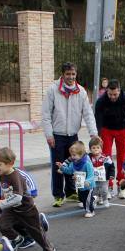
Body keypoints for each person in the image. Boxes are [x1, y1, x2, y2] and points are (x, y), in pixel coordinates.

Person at [42, 62, 98, 207]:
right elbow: (46, 114)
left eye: (73, 74)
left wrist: (93, 133)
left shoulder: (81, 91)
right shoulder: (52, 90)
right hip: (57, 135)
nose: (71, 77)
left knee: (75, 164)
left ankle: (71, 191)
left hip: (73, 135)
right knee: (58, 166)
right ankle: (58, 195)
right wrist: (49, 135)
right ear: (62, 74)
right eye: (68, 74)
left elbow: (88, 113)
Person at [0, 147, 56, 251]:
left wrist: (2, 203)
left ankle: (48, 248)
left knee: (36, 232)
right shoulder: (0, 174)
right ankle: (18, 239)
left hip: (26, 209)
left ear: (10, 163)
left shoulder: (15, 176)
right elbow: (3, 189)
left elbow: (18, 197)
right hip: (12, 209)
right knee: (1, 224)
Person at [94, 79, 125, 195]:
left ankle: (121, 185)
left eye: (115, 94)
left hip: (122, 129)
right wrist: (98, 134)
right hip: (106, 130)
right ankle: (107, 186)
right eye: (110, 94)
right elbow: (97, 118)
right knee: (106, 157)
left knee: (122, 157)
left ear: (119, 91)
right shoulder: (101, 100)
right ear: (106, 91)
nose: (112, 97)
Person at [57, 141, 96, 218]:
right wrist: (62, 167)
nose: (72, 157)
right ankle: (93, 199)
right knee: (82, 198)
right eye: (71, 155)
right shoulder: (73, 163)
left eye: (74, 155)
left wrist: (88, 181)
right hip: (80, 185)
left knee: (86, 200)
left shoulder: (87, 163)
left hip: (88, 186)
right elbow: (69, 171)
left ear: (81, 154)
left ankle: (90, 211)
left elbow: (91, 174)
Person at [88, 137, 115, 208]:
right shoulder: (88, 158)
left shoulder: (105, 158)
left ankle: (105, 199)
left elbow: (111, 166)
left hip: (104, 178)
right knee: (94, 190)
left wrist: (111, 174)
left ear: (101, 149)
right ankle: (95, 200)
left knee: (104, 190)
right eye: (93, 148)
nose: (96, 149)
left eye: (98, 147)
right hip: (93, 177)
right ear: (90, 149)